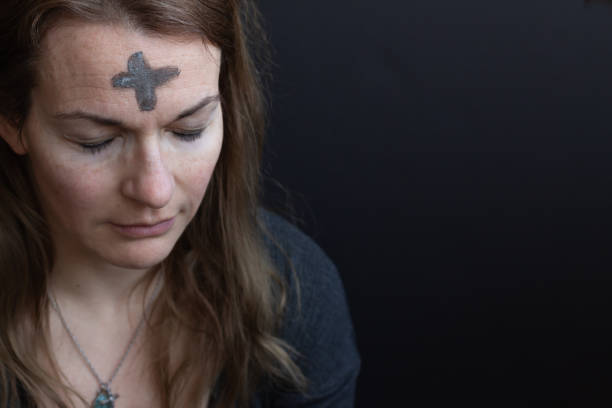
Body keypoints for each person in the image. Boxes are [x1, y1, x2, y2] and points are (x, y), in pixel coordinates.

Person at [0, 0, 360, 407]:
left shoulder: (295, 297)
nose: (155, 191)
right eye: (94, 141)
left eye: (189, 130)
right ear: (12, 120)